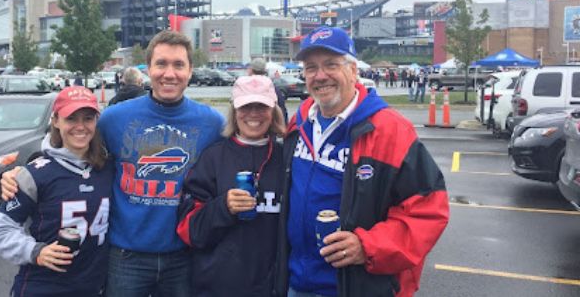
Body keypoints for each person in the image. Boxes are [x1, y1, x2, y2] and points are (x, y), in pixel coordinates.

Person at [1, 30, 224, 297]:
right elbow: (75, 147)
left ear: (190, 71)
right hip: (125, 257)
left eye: (178, 65)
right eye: (161, 63)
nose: (169, 73)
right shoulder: (114, 118)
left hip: (183, 255)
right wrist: (24, 173)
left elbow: (237, 155)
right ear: (148, 69)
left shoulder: (212, 122)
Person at [275, 27, 449, 297]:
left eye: (331, 64)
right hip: (296, 284)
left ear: (353, 70)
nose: (320, 76)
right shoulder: (298, 124)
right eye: (311, 67)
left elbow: (428, 211)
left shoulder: (390, 130)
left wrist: (367, 246)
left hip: (357, 287)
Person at [0, 86, 114, 297]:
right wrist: (36, 251)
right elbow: (0, 231)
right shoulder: (36, 173)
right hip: (44, 287)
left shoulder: (108, 167)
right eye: (71, 118)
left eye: (88, 118)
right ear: (55, 121)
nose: (80, 126)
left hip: (93, 287)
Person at [177, 75, 286, 296]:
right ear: (234, 112)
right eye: (246, 106)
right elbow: (189, 231)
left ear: (273, 111)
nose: (253, 114)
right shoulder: (213, 158)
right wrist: (223, 207)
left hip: (273, 286)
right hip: (219, 285)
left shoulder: (288, 158)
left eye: (261, 106)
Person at [248, 57, 287, 123]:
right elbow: (283, 114)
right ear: (265, 71)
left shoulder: (243, 89)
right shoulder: (273, 89)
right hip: (271, 128)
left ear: (251, 70)